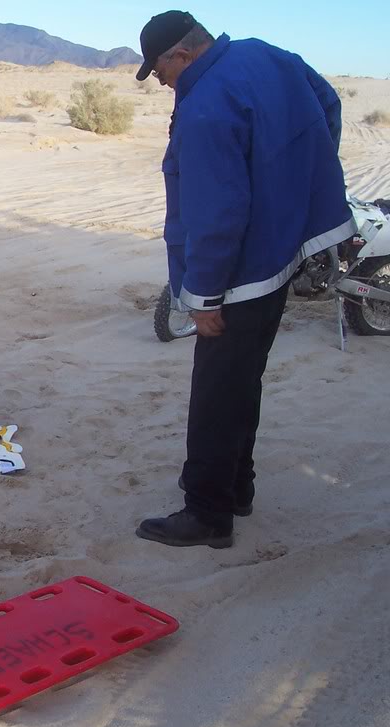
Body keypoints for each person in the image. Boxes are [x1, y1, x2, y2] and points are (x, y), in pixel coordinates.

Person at [132, 12, 354, 548]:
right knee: (241, 379)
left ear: (181, 55)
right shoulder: (267, 55)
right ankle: (237, 487)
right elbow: (327, 104)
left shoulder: (206, 108)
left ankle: (207, 513)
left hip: (239, 275)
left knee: (215, 392)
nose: (161, 84)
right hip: (279, 257)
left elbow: (217, 213)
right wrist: (294, 185)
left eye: (160, 73)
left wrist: (205, 298)